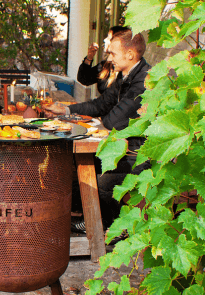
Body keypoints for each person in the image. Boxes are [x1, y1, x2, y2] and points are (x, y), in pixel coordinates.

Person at [46, 31, 151, 230]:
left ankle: (109, 226)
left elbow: (112, 120)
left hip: (139, 155)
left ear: (130, 54)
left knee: (99, 181)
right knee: (69, 164)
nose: (109, 58)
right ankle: (90, 219)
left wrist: (104, 119)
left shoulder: (145, 80)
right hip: (122, 148)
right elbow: (101, 105)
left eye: (113, 53)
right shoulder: (126, 75)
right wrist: (66, 109)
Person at [77, 26, 131, 94]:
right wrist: (89, 57)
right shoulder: (106, 66)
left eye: (108, 37)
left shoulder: (128, 69)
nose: (104, 40)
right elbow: (84, 79)